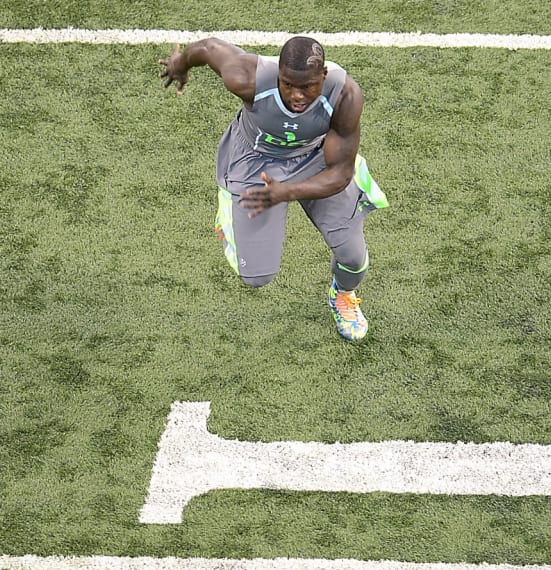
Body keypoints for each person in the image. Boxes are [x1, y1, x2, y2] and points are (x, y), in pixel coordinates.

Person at [158, 36, 388, 341]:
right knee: (255, 276)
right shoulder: (247, 77)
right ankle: (229, 212)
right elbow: (208, 48)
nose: (296, 95)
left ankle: (343, 296)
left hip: (318, 158)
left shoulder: (345, 95)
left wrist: (287, 191)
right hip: (256, 159)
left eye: (307, 87)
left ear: (324, 75)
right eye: (287, 84)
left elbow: (340, 173)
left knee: (353, 256)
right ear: (277, 73)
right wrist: (179, 64)